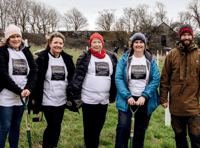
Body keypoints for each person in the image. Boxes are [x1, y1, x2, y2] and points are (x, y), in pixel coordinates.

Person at [67, 33, 117, 148]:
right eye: (94, 42)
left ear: (102, 43)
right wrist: (76, 96)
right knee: (90, 128)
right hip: (88, 100)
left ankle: (95, 145)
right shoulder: (85, 57)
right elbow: (77, 78)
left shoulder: (110, 57)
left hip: (103, 100)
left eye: (99, 42)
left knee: (99, 126)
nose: (96, 44)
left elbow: (114, 77)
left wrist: (113, 95)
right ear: (90, 44)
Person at [115, 32, 160, 148]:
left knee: (140, 130)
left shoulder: (151, 61)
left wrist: (144, 96)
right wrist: (127, 96)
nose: (139, 45)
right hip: (127, 99)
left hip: (143, 100)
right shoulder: (124, 59)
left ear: (145, 45)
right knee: (123, 127)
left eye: (141, 42)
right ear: (132, 45)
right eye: (136, 42)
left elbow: (156, 79)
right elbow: (118, 77)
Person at [31, 32, 75, 148]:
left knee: (57, 125)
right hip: (47, 98)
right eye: (55, 42)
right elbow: (35, 79)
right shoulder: (41, 59)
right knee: (53, 124)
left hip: (61, 99)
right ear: (49, 43)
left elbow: (72, 77)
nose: (58, 45)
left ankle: (53, 145)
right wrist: (34, 97)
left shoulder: (66, 59)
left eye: (60, 43)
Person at [160, 24, 200, 148]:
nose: (186, 37)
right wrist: (163, 98)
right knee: (180, 138)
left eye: (188, 35)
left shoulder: (199, 54)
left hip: (194, 105)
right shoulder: (172, 55)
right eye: (184, 35)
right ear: (180, 36)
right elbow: (165, 78)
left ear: (192, 36)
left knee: (196, 137)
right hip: (176, 105)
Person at [0, 24, 38, 148]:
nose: (16, 39)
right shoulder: (2, 52)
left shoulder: (26, 51)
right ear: (7, 39)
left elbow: (34, 71)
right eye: (12, 37)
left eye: (18, 36)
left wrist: (28, 88)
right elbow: (2, 75)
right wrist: (19, 90)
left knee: (15, 127)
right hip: (5, 97)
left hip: (22, 97)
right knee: (4, 128)